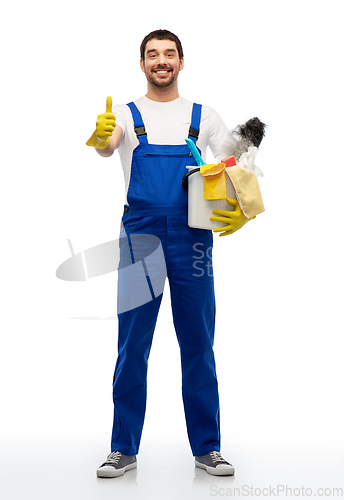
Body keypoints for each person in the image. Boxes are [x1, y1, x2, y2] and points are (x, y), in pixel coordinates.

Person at [87, 29, 250, 478]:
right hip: (140, 237)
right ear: (142, 64)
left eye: (169, 54)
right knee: (132, 344)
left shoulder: (204, 115)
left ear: (181, 62)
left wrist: (245, 208)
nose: (161, 61)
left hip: (193, 237)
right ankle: (123, 448)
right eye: (152, 54)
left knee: (198, 342)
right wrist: (101, 136)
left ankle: (208, 448)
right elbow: (107, 146)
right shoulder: (124, 113)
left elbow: (239, 165)